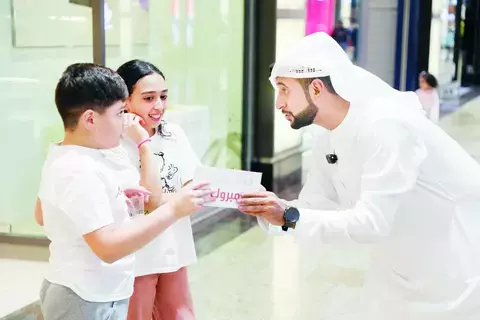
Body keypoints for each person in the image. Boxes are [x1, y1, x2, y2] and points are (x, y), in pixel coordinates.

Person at [237, 32, 480, 320]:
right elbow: (317, 205)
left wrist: (289, 215)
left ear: (316, 88)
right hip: (395, 273)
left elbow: (371, 222)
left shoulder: (386, 127)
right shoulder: (326, 136)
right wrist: (270, 210)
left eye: (284, 90)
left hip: (455, 276)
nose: (279, 103)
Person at [36, 63, 211, 320]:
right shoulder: (79, 168)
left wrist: (116, 200)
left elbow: (43, 214)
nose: (124, 123)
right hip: (84, 297)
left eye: (163, 96)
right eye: (120, 113)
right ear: (90, 119)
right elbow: (108, 248)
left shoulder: (71, 155)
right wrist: (174, 208)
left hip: (89, 292)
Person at [116, 59, 200, 320]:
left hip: (174, 248)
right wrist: (175, 201)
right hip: (137, 258)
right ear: (125, 100)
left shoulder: (173, 133)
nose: (159, 106)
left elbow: (193, 186)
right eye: (149, 98)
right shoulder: (113, 143)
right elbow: (149, 202)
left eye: (163, 97)